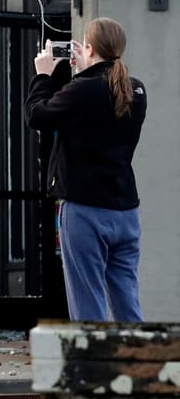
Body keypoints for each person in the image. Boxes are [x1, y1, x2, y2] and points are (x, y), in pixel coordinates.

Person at [25, 17, 147, 322]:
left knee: (87, 303)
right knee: (127, 301)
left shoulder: (82, 91)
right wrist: (83, 71)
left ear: (88, 47)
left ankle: (94, 370)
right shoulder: (136, 90)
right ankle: (142, 367)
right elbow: (97, 106)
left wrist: (43, 75)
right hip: (126, 211)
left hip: (85, 209)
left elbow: (38, 115)